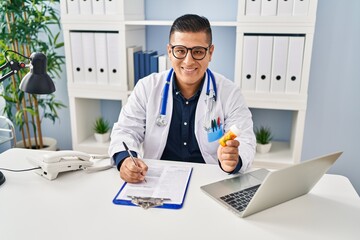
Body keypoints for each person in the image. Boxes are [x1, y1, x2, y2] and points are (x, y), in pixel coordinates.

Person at [109, 14, 256, 183]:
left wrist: (234, 160)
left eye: (198, 52)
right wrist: (126, 160)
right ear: (170, 52)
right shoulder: (147, 87)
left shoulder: (229, 93)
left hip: (209, 180)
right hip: (156, 179)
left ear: (210, 53)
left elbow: (245, 140)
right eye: (180, 50)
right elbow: (126, 131)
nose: (188, 61)